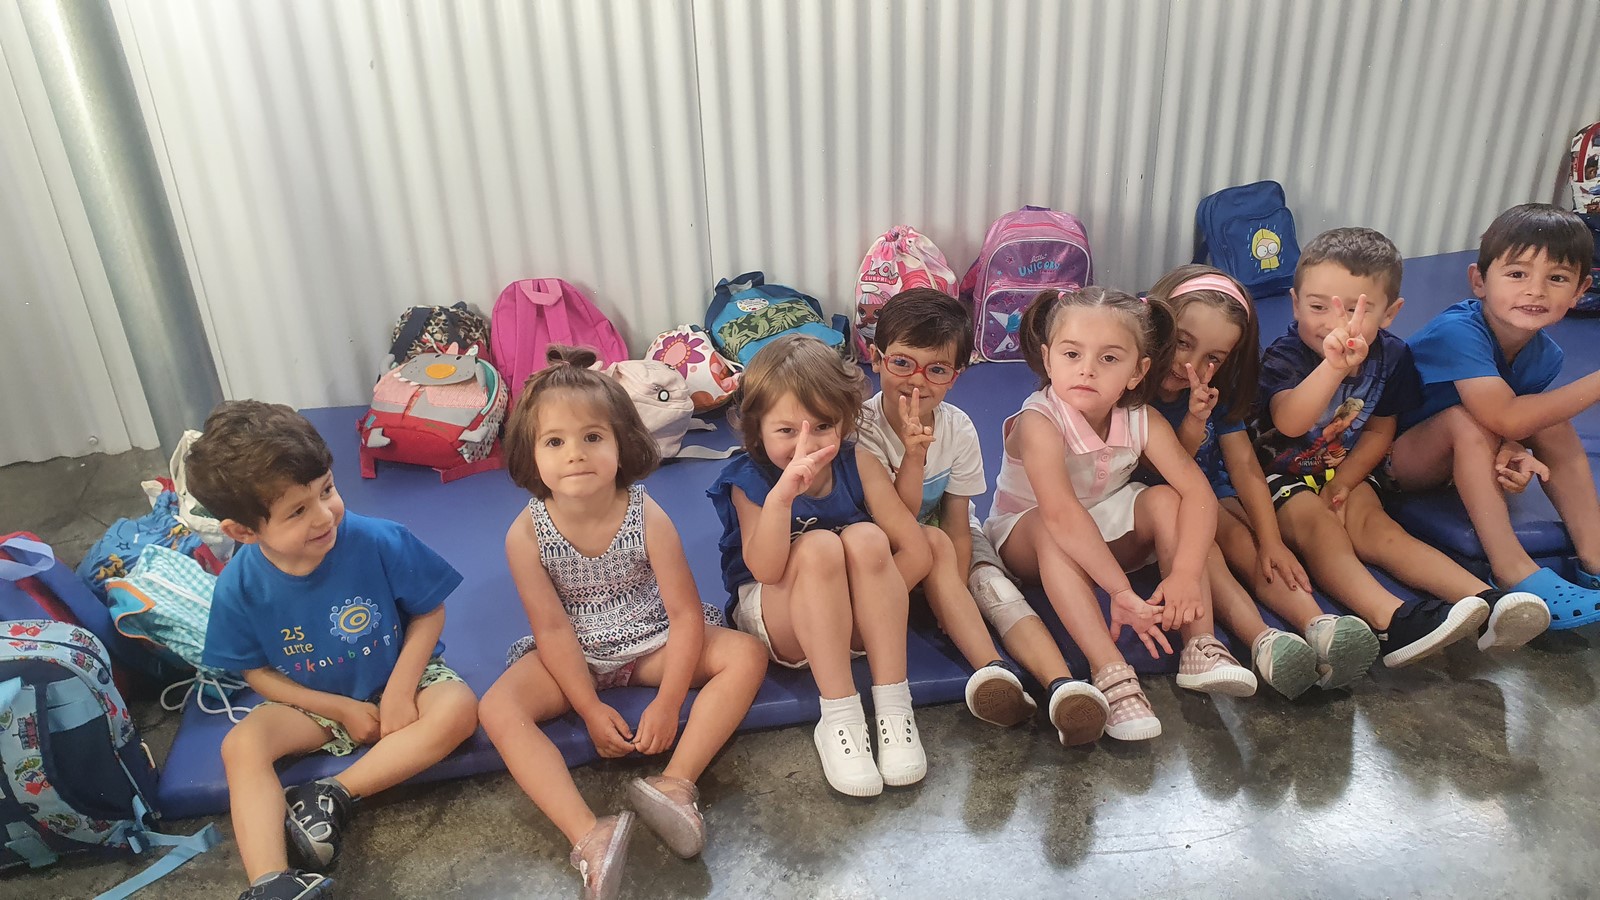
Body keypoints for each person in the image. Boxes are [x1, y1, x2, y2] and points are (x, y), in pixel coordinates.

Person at [478, 347, 767, 900]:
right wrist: (588, 708)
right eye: (554, 442)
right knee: (497, 708)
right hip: (576, 654)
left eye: (592, 437)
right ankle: (589, 834)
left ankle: (675, 784)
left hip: (651, 639)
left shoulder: (645, 513)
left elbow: (685, 614)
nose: (575, 454)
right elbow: (552, 631)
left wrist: (669, 702)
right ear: (530, 454)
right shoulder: (525, 534)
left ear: (621, 443)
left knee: (746, 654)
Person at [188, 401, 480, 900]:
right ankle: (270, 883)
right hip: (312, 704)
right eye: (298, 511)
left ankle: (333, 793)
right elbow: (256, 672)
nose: (325, 515)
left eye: (326, 490)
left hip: (401, 678)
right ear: (243, 531)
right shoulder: (238, 585)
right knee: (241, 745)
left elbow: (429, 613)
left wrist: (400, 691)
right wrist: (338, 709)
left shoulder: (378, 540)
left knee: (459, 709)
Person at [1254, 227, 1545, 670]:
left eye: (1356, 310)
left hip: (1343, 468)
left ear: (1390, 313)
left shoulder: (1392, 356)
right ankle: (1391, 619)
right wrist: (1333, 368)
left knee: (1379, 530)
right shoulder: (1285, 355)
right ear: (1295, 304)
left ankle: (1485, 601)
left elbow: (1379, 430)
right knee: (1322, 530)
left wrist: (1346, 482)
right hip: (1277, 473)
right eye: (1318, 307)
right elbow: (1289, 421)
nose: (1337, 324)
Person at [985, 286, 1257, 744]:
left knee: (1165, 499)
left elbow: (1198, 493)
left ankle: (1200, 643)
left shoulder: (1142, 418)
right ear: (1048, 360)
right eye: (1072, 354)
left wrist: (1186, 573)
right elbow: (1062, 515)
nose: (1087, 369)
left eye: (1109, 358)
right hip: (1028, 535)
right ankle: (1109, 670)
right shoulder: (1039, 422)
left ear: (1138, 372)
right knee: (1052, 530)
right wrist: (1120, 592)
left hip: (1102, 522)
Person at [856, 288, 1110, 743]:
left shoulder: (957, 428)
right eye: (902, 363)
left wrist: (955, 587)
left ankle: (1060, 685)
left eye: (936, 370)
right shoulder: (861, 430)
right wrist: (914, 456)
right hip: (887, 550)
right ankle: (989, 665)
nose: (917, 382)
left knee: (995, 590)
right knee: (930, 547)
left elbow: (957, 522)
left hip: (947, 542)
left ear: (956, 376)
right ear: (876, 359)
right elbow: (896, 520)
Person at [708, 334, 932, 797]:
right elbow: (766, 570)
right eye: (787, 431)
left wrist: (869, 612)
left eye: (823, 426)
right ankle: (840, 717)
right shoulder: (749, 480)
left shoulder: (859, 462)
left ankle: (895, 707)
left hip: (846, 627)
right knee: (817, 548)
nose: (805, 445)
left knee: (868, 538)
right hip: (779, 622)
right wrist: (782, 497)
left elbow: (916, 551)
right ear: (757, 430)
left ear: (845, 421)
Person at [1144, 265, 1375, 697]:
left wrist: (1272, 541)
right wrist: (1193, 422)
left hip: (1207, 492)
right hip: (1156, 502)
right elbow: (1164, 474)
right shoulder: (1131, 384)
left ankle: (1317, 625)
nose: (1192, 365)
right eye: (1183, 343)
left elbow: (1245, 467)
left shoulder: (1216, 390)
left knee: (1247, 540)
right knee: (1207, 543)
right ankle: (1261, 640)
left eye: (1213, 358)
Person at [1391, 203, 1597, 631]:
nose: (1535, 291)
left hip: (1463, 459)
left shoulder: (1545, 355)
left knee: (1551, 421)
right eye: (1517, 274)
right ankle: (1510, 569)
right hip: (1392, 462)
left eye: (1557, 278)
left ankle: (1594, 555)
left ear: (1581, 290)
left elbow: (1512, 425)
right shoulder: (1456, 332)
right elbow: (1504, 416)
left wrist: (1512, 451)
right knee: (1464, 420)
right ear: (1479, 281)